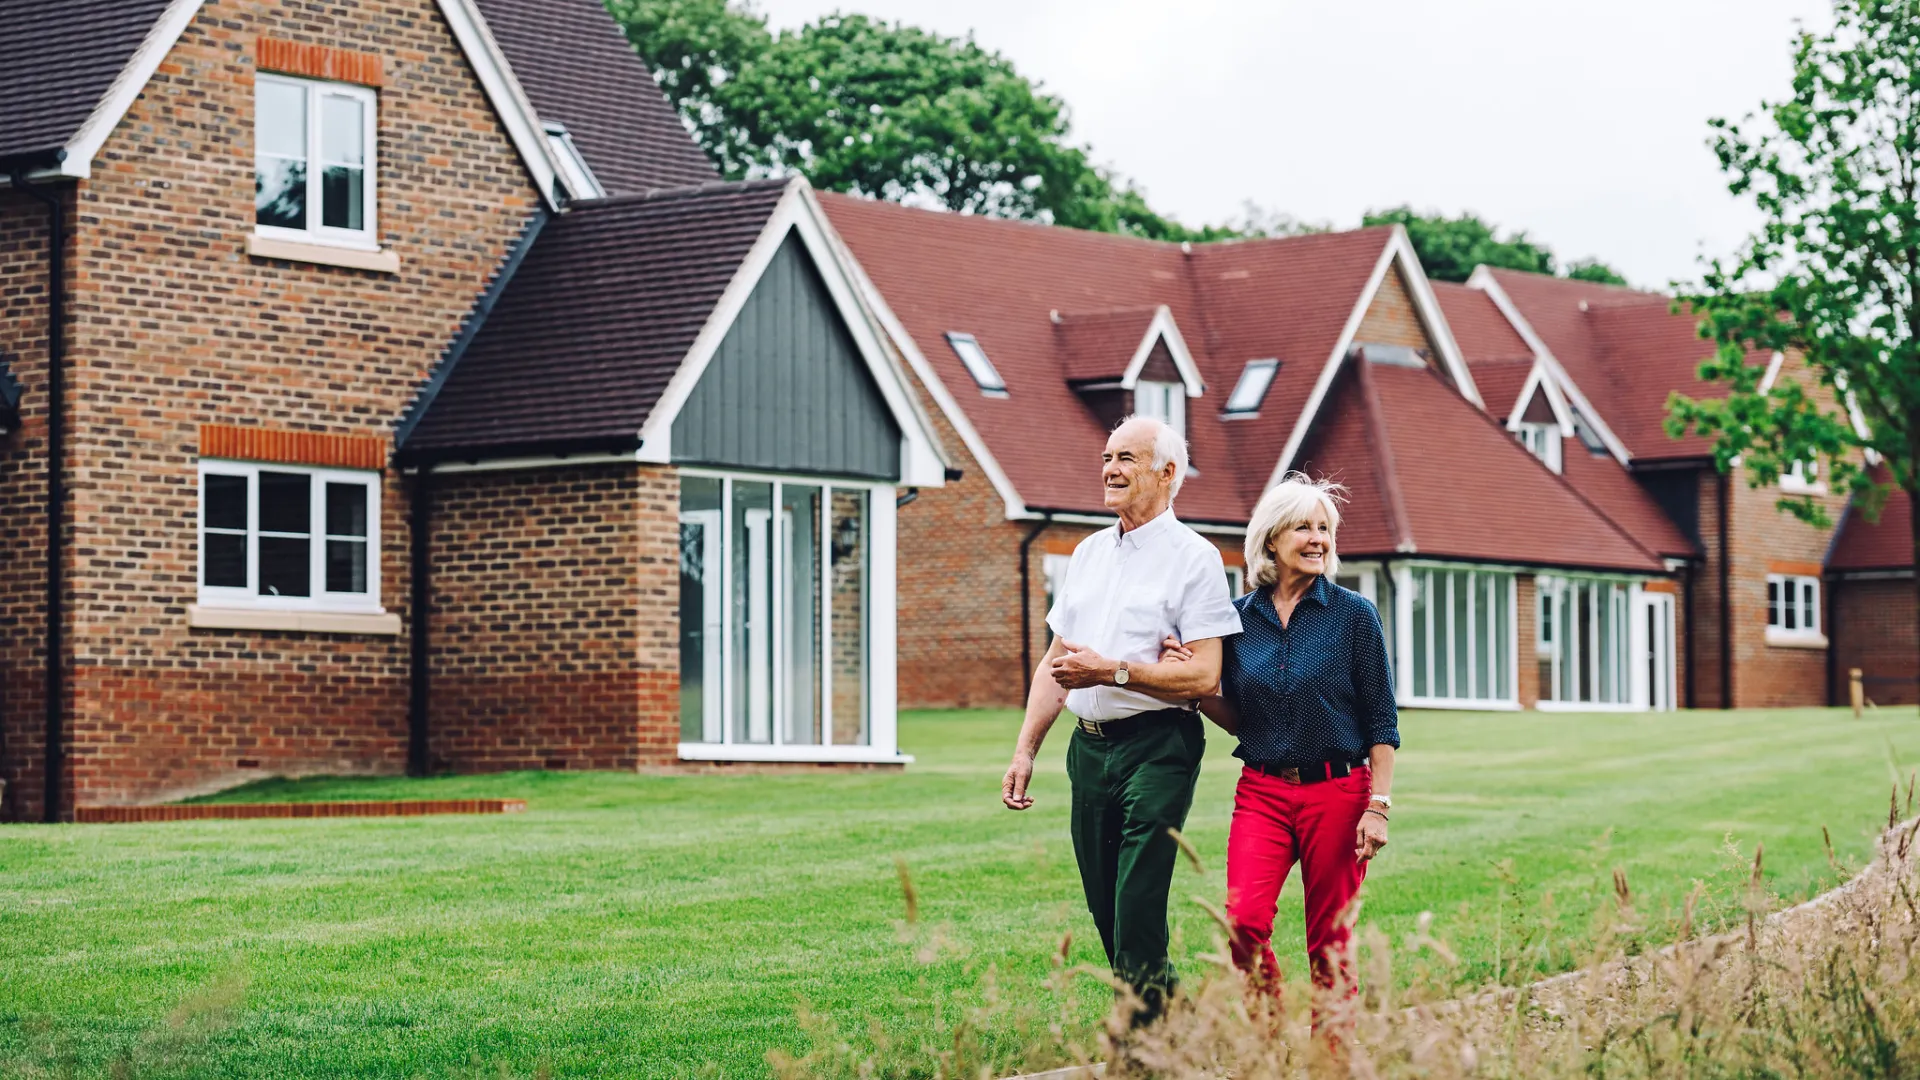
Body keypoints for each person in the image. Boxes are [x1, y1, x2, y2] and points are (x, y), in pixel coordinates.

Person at [1000, 415, 1243, 1025]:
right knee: (1106, 904)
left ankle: (1140, 1046)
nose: (1110, 469)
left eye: (1126, 458)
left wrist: (1114, 671)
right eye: (1108, 456)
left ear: (1168, 474)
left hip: (1159, 746)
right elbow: (1056, 663)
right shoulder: (1086, 554)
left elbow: (1205, 675)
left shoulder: (1197, 559)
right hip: (1089, 751)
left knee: (1137, 900)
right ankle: (1174, 1014)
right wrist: (1026, 749)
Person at [1159, 474, 1397, 999]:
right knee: (1242, 925)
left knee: (1330, 944)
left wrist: (1377, 805)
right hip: (1263, 792)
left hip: (1337, 793)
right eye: (1303, 528)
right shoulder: (1238, 620)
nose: (1318, 539)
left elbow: (1382, 719)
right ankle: (1269, 1045)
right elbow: (1244, 718)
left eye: (1324, 529)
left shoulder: (1355, 616)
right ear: (1271, 539)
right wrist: (1194, 687)